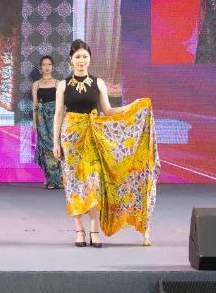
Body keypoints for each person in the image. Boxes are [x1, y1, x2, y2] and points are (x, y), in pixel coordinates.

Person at [53, 40, 157, 248]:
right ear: (71, 59)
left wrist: (132, 106)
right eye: (77, 57)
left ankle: (94, 231)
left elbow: (108, 111)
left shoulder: (98, 83)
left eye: (85, 56)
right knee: (74, 184)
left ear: (89, 59)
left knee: (94, 183)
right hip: (71, 139)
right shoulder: (63, 85)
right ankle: (79, 231)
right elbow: (58, 115)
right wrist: (55, 143)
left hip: (93, 138)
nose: (81, 60)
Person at [31, 55, 63, 189]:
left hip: (55, 119)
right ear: (41, 67)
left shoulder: (58, 83)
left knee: (57, 146)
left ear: (53, 66)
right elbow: (35, 105)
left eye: (49, 64)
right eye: (44, 64)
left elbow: (61, 105)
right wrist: (34, 123)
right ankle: (48, 178)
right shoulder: (36, 84)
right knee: (45, 148)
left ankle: (58, 179)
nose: (46, 67)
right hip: (41, 120)